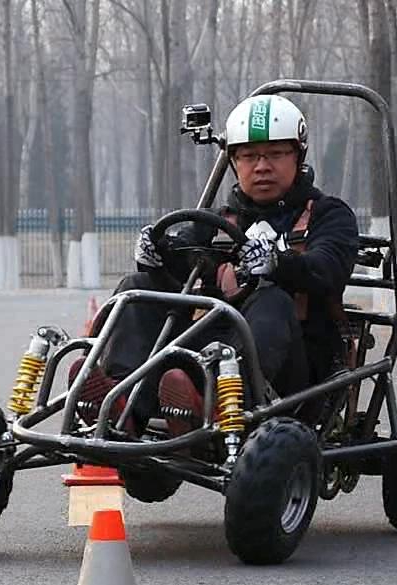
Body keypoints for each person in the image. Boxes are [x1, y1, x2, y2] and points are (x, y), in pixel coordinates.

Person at [92, 94, 361, 429]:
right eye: (249, 156)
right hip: (205, 356)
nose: (262, 166)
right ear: (234, 162)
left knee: (271, 298)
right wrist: (154, 257)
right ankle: (125, 405)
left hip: (296, 372)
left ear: (298, 155)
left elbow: (328, 270)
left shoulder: (327, 215)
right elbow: (177, 274)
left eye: (276, 154)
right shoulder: (217, 221)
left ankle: (221, 407)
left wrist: (279, 264)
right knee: (137, 288)